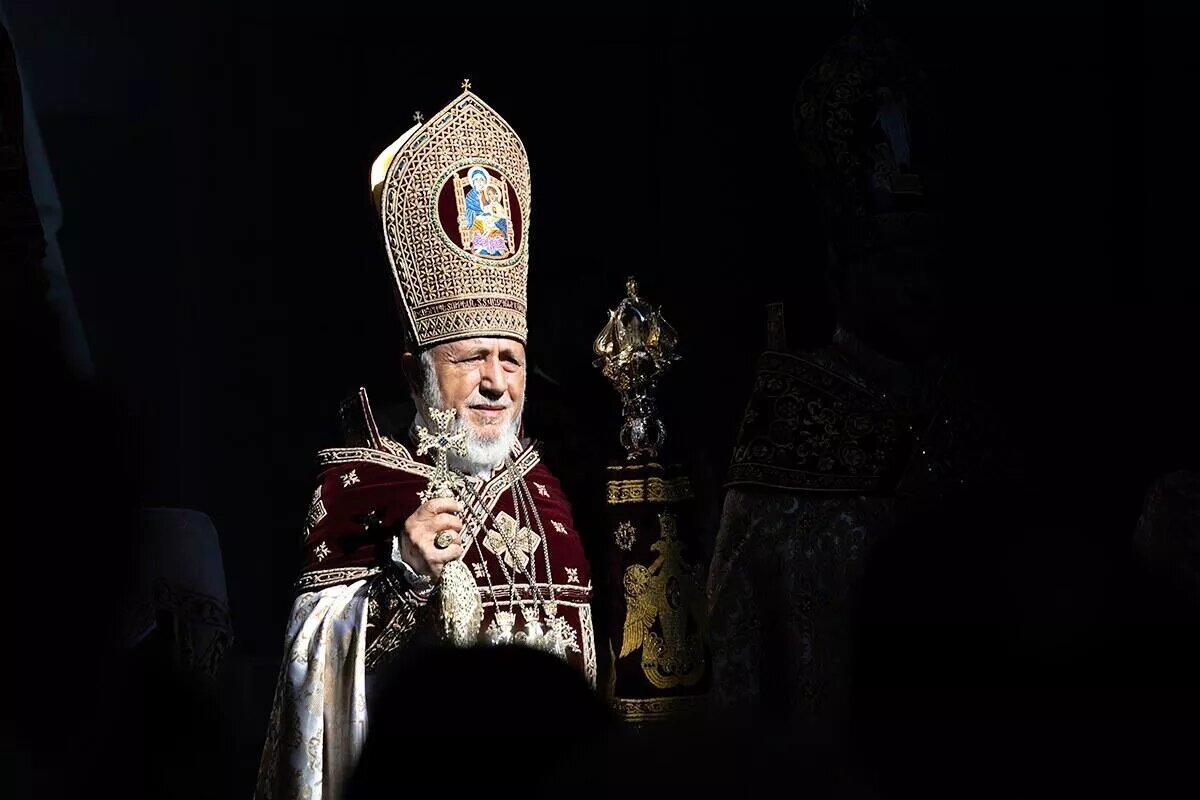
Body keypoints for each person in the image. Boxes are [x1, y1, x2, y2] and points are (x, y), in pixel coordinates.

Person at [255, 84, 596, 800]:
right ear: (415, 371)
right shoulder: (364, 486)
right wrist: (402, 570)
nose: (496, 382)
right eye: (471, 359)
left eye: (511, 360)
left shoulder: (547, 493)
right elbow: (314, 674)